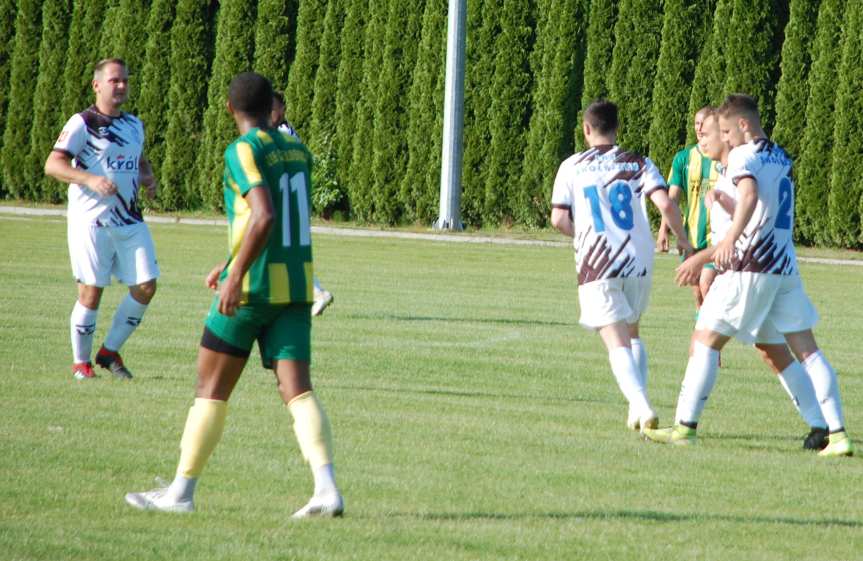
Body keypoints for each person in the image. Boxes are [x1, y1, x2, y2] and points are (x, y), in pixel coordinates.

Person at [125, 72, 344, 516]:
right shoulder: (297, 150)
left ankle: (180, 494)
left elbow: (262, 215)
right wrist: (228, 264)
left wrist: (235, 274)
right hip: (296, 287)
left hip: (253, 290)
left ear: (229, 109)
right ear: (272, 107)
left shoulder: (242, 150)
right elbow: (278, 219)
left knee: (210, 387)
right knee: (298, 390)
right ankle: (326, 489)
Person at [643, 94, 852, 457]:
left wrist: (725, 242)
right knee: (802, 350)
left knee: (705, 340)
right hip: (783, 268)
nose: (723, 138)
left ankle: (685, 427)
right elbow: (762, 205)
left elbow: (752, 197)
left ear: (742, 125)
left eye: (724, 130)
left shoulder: (743, 156)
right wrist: (725, 205)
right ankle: (835, 432)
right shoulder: (780, 155)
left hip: (750, 267)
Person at [550, 100, 693, 432]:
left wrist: (580, 234)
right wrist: (683, 240)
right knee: (632, 331)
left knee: (615, 339)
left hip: (596, 260)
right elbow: (665, 204)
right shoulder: (639, 162)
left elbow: (558, 217)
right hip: (637, 259)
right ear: (617, 128)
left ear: (586, 129)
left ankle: (641, 405)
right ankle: (636, 408)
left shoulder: (571, 166)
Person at [44, 58, 158, 381]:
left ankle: (109, 352)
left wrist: (148, 178)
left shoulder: (134, 124)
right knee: (91, 292)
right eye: (113, 81)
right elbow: (53, 164)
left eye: (124, 80)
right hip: (90, 222)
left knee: (147, 286)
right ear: (97, 85)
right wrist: (89, 179)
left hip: (129, 220)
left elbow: (139, 158)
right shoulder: (83, 123)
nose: (120, 86)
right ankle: (81, 364)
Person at [271, 91, 334, 317]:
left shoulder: (281, 133)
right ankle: (311, 294)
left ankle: (317, 293)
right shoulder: (280, 132)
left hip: (286, 203)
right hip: (288, 202)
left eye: (273, 108)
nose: (269, 113)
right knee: (286, 254)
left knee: (284, 254)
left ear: (282, 110)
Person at [656, 107, 720, 312]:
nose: (699, 128)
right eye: (696, 123)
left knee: (707, 285)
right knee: (698, 294)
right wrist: (663, 229)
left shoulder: (724, 158)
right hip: (691, 236)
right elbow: (672, 198)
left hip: (715, 237)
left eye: (704, 124)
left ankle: (711, 337)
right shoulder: (683, 158)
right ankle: (703, 338)